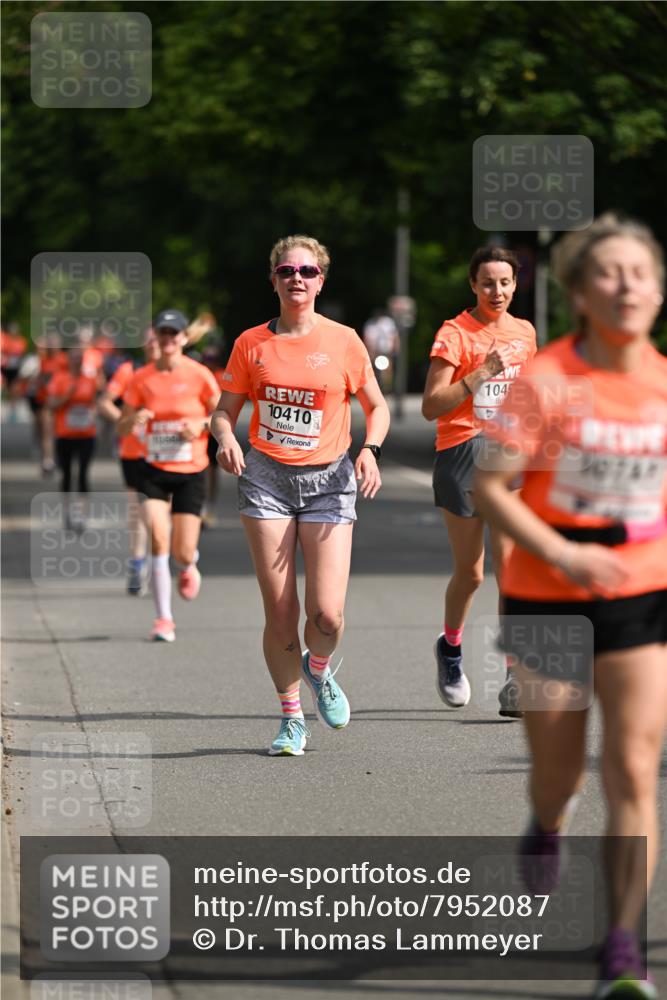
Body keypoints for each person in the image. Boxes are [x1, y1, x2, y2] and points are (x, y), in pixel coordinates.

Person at [474, 214, 667, 998]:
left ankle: (622, 947)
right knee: (557, 775)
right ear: (580, 293)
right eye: (608, 274)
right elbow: (490, 487)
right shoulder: (544, 381)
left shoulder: (661, 383)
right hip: (547, 596)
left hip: (641, 595)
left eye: (640, 273)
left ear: (656, 291)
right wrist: (561, 554)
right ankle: (547, 823)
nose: (626, 286)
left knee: (632, 768)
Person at [211, 234, 389, 756]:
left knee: (327, 616)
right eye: (287, 270)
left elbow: (375, 406)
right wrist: (224, 438)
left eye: (307, 272)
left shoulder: (344, 341)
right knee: (282, 613)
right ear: (273, 279)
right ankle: (291, 718)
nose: (297, 279)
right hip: (266, 479)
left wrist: (371, 449)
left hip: (330, 481)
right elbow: (225, 412)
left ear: (320, 281)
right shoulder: (251, 344)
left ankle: (318, 668)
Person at [421, 247, 537, 715]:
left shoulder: (525, 333)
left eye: (505, 282)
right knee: (470, 573)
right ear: (473, 285)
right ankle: (450, 649)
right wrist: (481, 373)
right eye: (488, 283)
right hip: (463, 449)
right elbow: (432, 405)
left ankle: (514, 677)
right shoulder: (455, 334)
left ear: (515, 284)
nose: (498, 291)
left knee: (512, 569)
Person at [118, 309, 220, 642]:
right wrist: (134, 421)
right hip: (153, 471)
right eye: (162, 333)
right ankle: (164, 619)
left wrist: (201, 425)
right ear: (156, 337)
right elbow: (121, 423)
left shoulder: (200, 374)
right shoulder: (141, 378)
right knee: (159, 538)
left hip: (191, 471)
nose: (168, 339)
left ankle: (189, 564)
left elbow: (223, 414)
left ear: (182, 338)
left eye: (173, 334)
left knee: (181, 551)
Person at [98, 329, 161, 595]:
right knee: (138, 510)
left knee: (161, 512)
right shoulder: (129, 370)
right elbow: (104, 403)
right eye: (148, 340)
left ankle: (164, 558)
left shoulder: (180, 370)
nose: (153, 344)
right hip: (134, 452)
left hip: (168, 454)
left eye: (158, 338)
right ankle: (138, 562)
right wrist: (125, 423)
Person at [46, 345, 99, 530]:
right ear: (68, 359)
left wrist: (93, 412)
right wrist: (67, 397)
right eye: (74, 357)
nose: (77, 360)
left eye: (80, 357)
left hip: (86, 434)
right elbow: (50, 404)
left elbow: (96, 402)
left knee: (84, 474)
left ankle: (82, 516)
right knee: (67, 474)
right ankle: (67, 512)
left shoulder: (90, 380)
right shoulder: (59, 378)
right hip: (65, 435)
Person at [363, 309, 400, 392]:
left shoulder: (388, 322)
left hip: (386, 350)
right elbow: (367, 338)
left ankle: (387, 386)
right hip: (374, 351)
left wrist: (396, 347)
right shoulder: (370, 324)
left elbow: (394, 335)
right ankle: (377, 386)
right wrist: (368, 351)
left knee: (388, 368)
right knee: (374, 369)